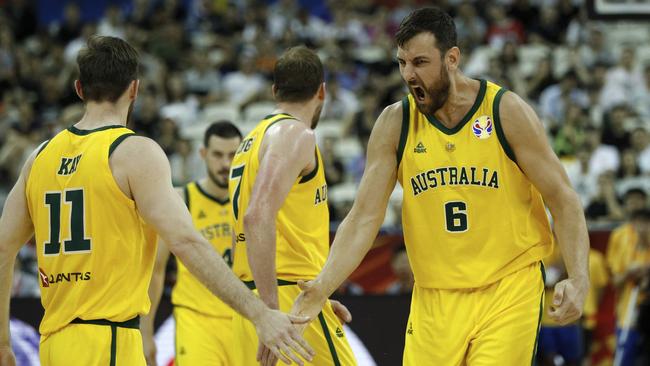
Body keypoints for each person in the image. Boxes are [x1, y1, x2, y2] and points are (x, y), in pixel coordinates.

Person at [293, 7, 589, 365]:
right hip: (435, 296)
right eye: (402, 63)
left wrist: (578, 276)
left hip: (508, 287)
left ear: (452, 58)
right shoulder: (395, 123)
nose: (408, 74)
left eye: (420, 62)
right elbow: (363, 218)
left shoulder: (504, 111)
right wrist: (321, 287)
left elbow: (562, 197)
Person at [0, 36, 313, 366]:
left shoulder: (39, 157)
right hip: (109, 341)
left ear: (79, 88)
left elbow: (3, 249)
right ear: (134, 89)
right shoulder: (134, 153)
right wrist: (260, 314)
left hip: (53, 344)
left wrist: (3, 341)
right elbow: (187, 242)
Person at [229, 46, 356, 366]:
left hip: (251, 301)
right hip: (285, 302)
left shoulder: (251, 140)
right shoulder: (295, 134)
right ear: (322, 91)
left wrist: (320, 295)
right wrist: (272, 313)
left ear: (275, 91)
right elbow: (256, 217)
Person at [140, 121, 242, 366]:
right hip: (196, 320)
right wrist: (145, 331)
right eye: (218, 155)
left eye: (232, 155)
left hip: (245, 320)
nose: (225, 164)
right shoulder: (181, 199)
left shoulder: (252, 201)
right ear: (203, 154)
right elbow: (156, 270)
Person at [606, 208, 650, 366]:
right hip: (629, 315)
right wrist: (629, 273)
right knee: (626, 358)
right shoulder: (626, 248)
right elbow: (616, 281)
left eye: (646, 223)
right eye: (638, 223)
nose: (642, 228)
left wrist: (646, 269)